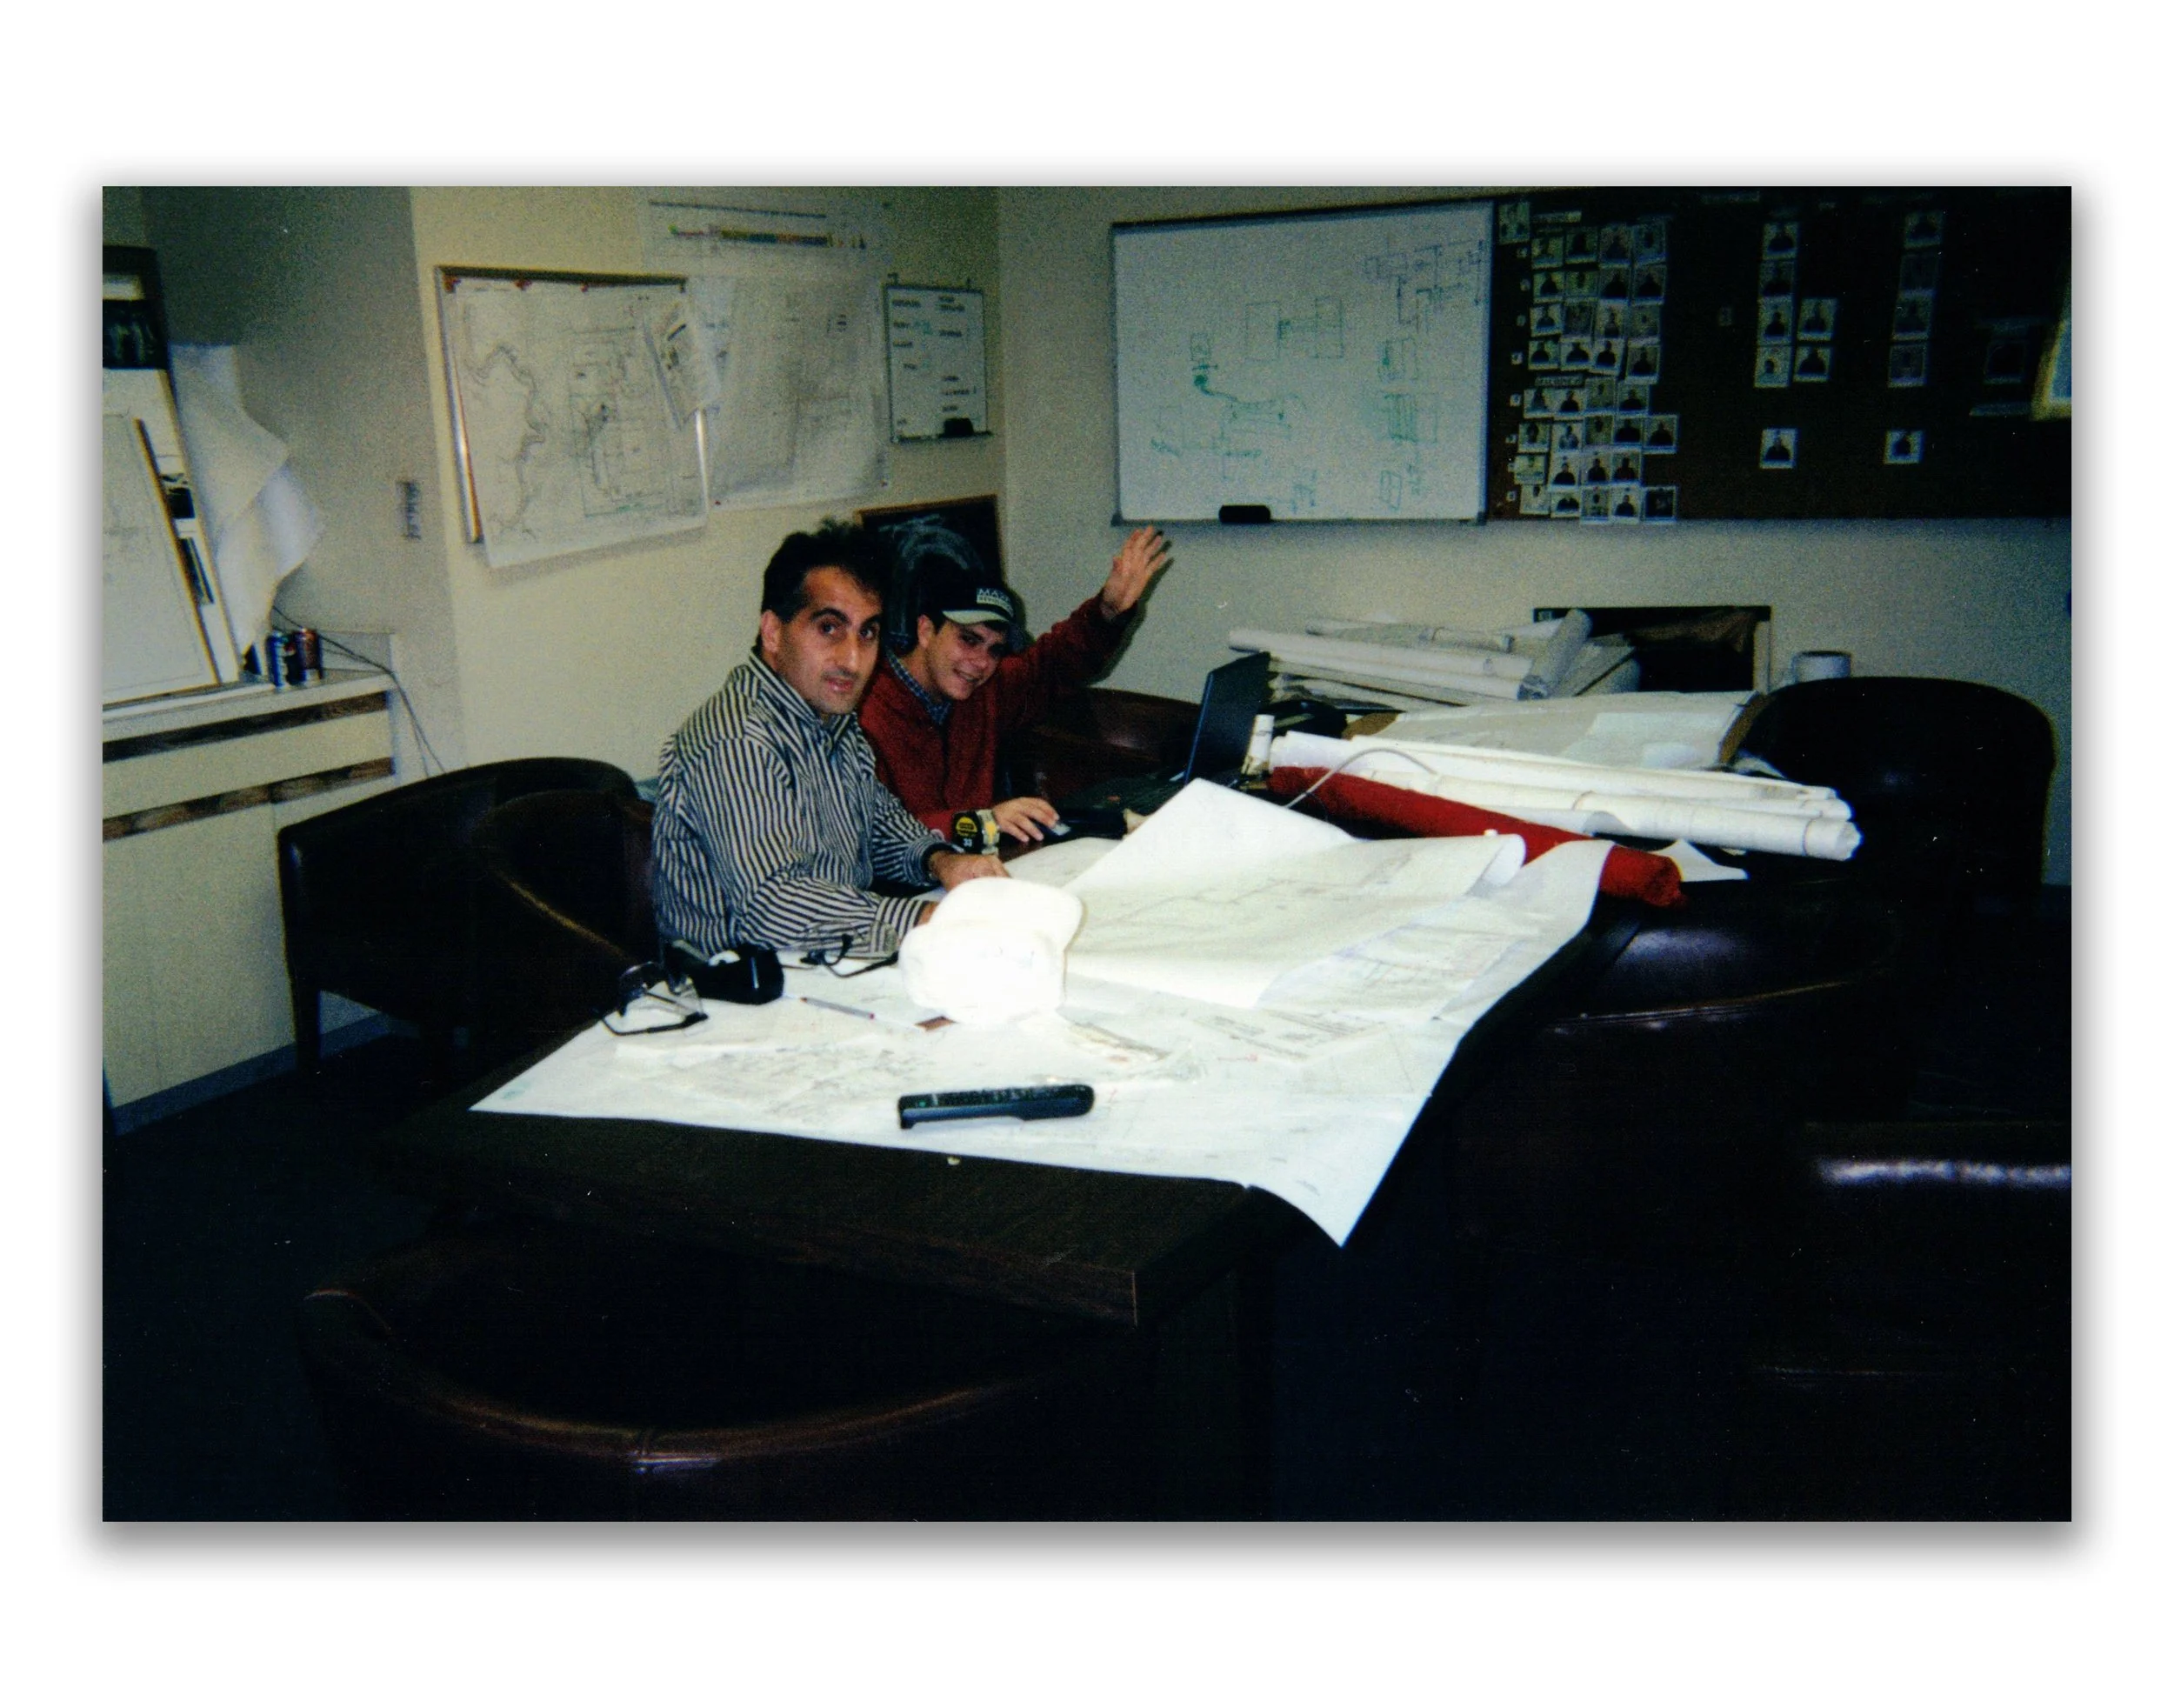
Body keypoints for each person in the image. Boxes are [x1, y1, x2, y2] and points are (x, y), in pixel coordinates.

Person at [650, 520, 1005, 961]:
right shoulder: (737, 739)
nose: (853, 661)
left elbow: (880, 827)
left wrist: (942, 860)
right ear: (774, 632)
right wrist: (922, 920)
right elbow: (773, 905)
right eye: (829, 629)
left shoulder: (832, 721)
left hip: (823, 967)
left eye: (867, 633)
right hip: (738, 993)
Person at [857, 525, 1173, 846]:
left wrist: (1107, 611)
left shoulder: (985, 691)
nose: (981, 663)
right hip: (907, 884)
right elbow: (873, 835)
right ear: (925, 631)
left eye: (995, 649)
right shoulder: (864, 710)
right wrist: (981, 822)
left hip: (977, 866)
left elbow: (1054, 664)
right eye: (968, 640)